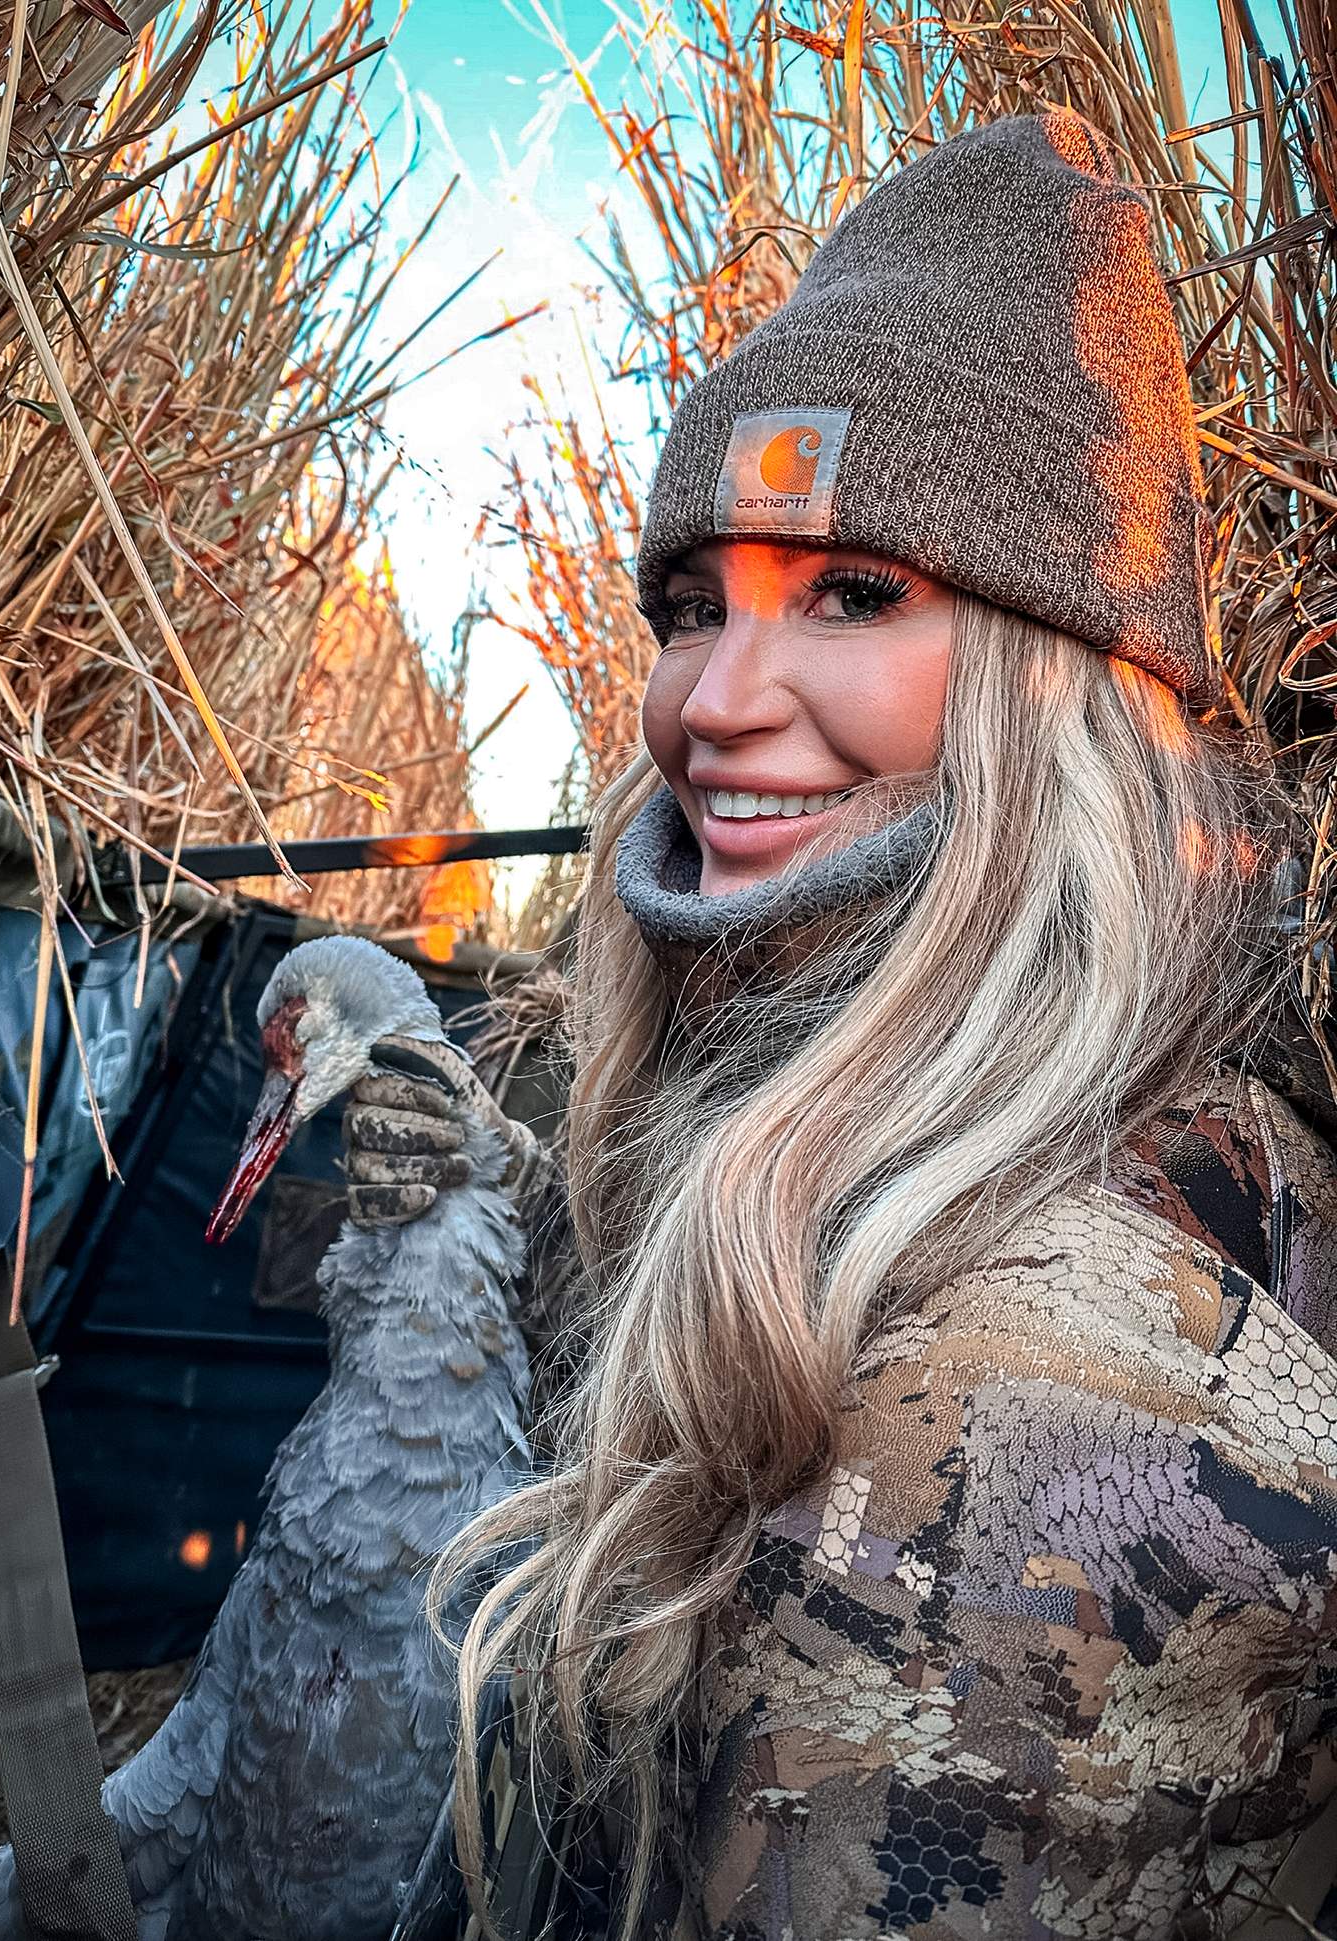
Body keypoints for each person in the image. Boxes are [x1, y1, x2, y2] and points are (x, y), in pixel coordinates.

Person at [353, 110, 1337, 1940]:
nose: (715, 702)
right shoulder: (1201, 1133)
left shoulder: (993, 1434)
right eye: (687, 604)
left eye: (855, 592)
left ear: (1077, 682)